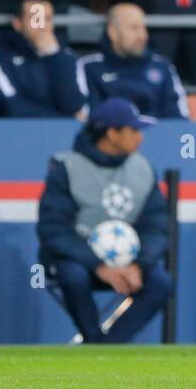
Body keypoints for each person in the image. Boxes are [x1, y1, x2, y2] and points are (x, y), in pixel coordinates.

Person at [37, 98, 173, 343]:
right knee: (73, 275)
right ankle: (93, 339)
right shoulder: (66, 167)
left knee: (160, 282)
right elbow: (53, 229)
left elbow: (157, 224)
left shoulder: (143, 168)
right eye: (133, 130)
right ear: (111, 133)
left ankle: (110, 346)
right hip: (79, 262)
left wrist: (139, 265)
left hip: (128, 265)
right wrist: (100, 266)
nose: (140, 137)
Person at [77, 3, 190, 119]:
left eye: (144, 28)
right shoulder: (90, 67)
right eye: (134, 28)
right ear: (113, 33)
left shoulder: (162, 67)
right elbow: (86, 117)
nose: (142, 35)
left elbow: (178, 119)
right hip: (111, 134)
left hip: (159, 135)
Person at [0, 0, 87, 118]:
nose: (41, 26)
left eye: (47, 19)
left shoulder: (67, 57)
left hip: (63, 132)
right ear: (17, 23)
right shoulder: (1, 55)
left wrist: (54, 55)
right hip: (19, 131)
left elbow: (74, 105)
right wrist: (61, 118)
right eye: (35, 18)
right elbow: (12, 105)